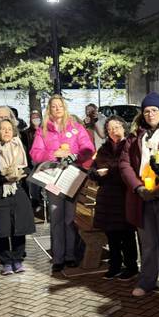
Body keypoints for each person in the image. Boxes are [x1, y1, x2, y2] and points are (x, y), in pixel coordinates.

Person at [119, 92, 159, 297]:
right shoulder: (134, 137)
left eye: (154, 110)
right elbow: (124, 164)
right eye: (146, 111)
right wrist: (138, 188)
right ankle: (147, 281)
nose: (150, 114)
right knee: (147, 244)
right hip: (142, 197)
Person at [30, 95, 95, 272]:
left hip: (71, 177)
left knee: (70, 218)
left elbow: (88, 149)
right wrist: (53, 155)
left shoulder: (76, 127)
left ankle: (70, 255)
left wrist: (76, 155)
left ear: (64, 108)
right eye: (53, 106)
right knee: (56, 217)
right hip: (52, 178)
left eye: (60, 106)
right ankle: (58, 257)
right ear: (49, 110)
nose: (57, 109)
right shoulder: (42, 131)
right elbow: (35, 153)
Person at [0, 114, 34, 275]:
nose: (6, 132)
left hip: (17, 189)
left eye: (9, 129)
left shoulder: (19, 146)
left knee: (19, 226)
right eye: (3, 129)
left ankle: (18, 259)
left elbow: (28, 167)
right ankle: (6, 262)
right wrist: (4, 177)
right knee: (1, 228)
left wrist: (21, 172)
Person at [90, 115, 138, 280]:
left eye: (116, 127)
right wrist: (96, 173)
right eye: (109, 129)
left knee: (127, 233)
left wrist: (109, 171)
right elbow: (93, 169)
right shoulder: (104, 149)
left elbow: (127, 169)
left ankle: (131, 266)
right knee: (111, 234)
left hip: (123, 195)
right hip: (107, 197)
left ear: (124, 128)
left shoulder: (130, 146)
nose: (113, 131)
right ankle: (115, 265)